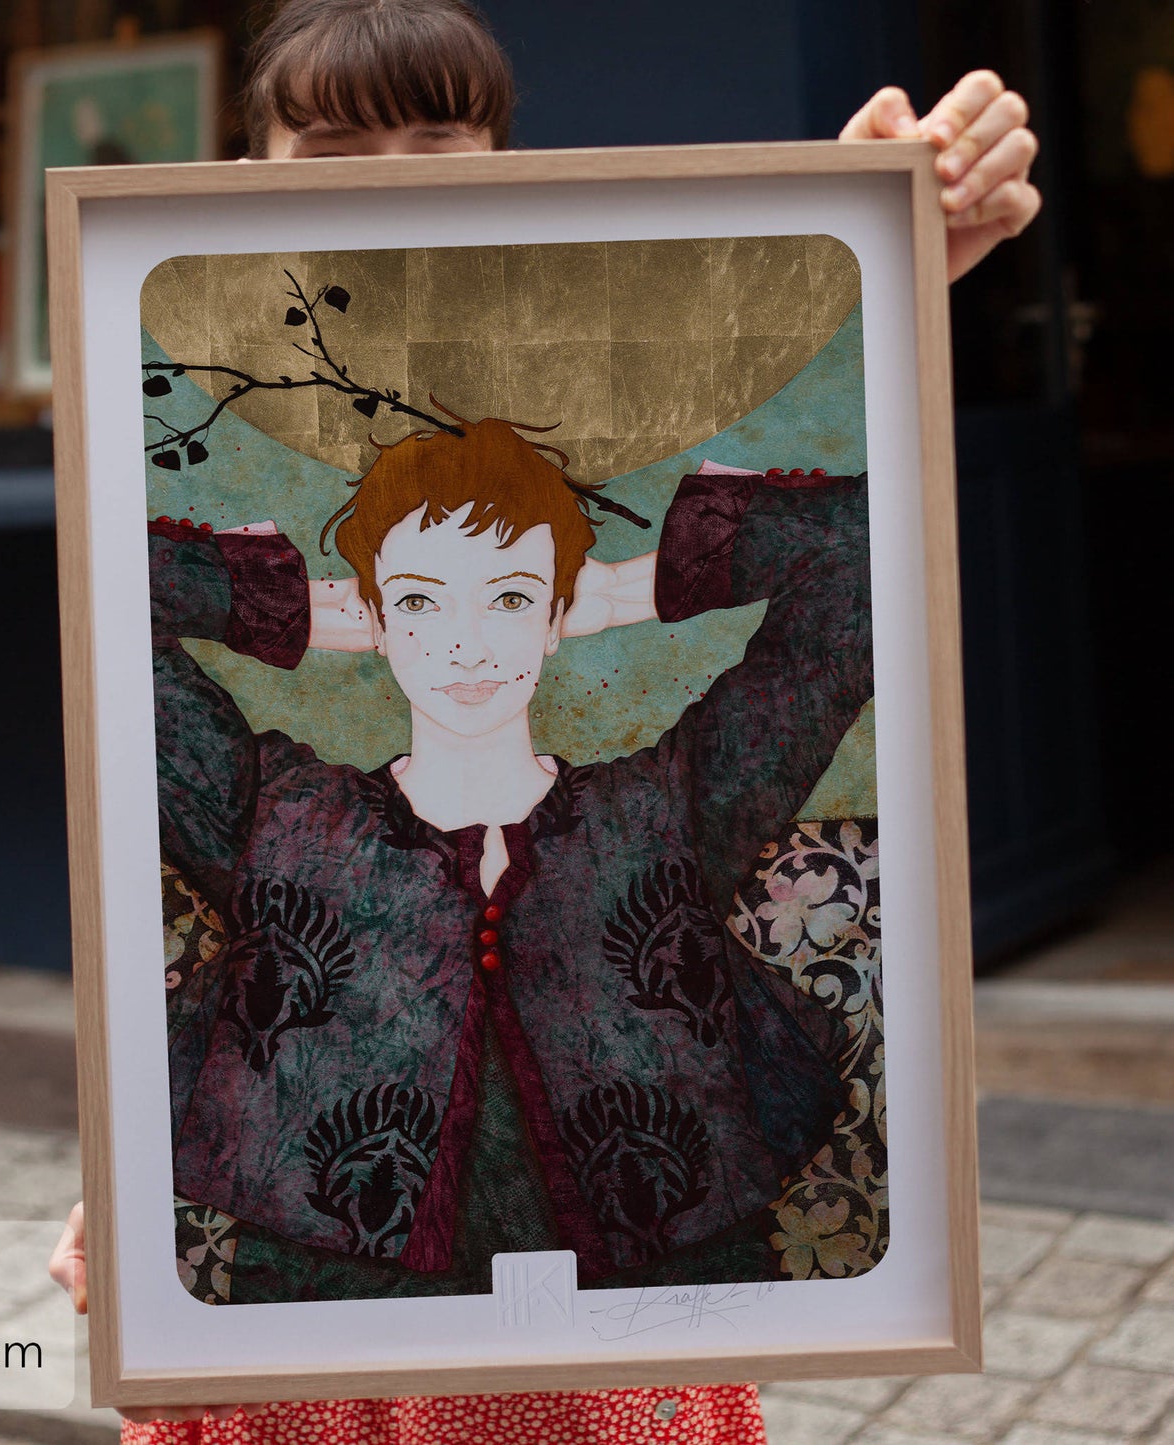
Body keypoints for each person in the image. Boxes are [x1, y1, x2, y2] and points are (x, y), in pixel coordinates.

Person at [51, 1, 1041, 1438]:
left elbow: (836, 569)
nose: (390, 176)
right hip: (289, 1363)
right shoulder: (283, 810)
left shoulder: (664, 802)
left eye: (435, 138)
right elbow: (120, 606)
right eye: (331, 147)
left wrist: (869, 272)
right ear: (247, 170)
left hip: (617, 1360)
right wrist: (313, 606)